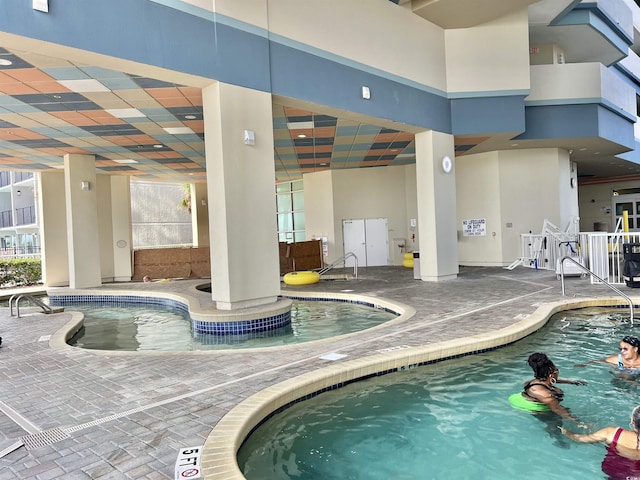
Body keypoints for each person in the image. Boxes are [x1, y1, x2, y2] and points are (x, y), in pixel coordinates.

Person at [561, 405, 640, 480]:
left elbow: (579, 438)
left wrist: (567, 433)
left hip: (614, 473)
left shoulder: (612, 433)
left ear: (632, 421)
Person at [521, 352, 587, 422]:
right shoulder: (546, 395)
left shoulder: (531, 382)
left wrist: (572, 382)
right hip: (544, 413)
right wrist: (578, 422)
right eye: (557, 371)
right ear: (551, 375)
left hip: (541, 400)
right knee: (556, 424)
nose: (558, 373)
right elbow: (557, 409)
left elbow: (552, 380)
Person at [575, 336, 640, 370]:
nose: (622, 351)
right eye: (620, 349)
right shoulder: (616, 359)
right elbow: (600, 361)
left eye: (625, 349)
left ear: (635, 349)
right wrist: (585, 364)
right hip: (621, 382)